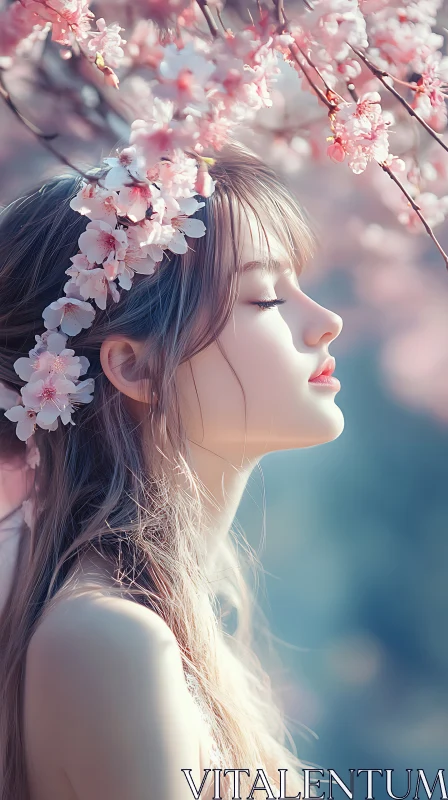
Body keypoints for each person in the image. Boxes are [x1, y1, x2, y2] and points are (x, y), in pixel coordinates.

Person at [0, 141, 343, 800]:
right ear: (134, 366)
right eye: (267, 299)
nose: (325, 323)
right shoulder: (110, 642)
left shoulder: (158, 629)